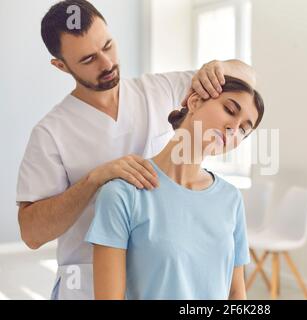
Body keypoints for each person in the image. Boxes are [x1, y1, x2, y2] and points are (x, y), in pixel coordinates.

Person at [16, 0, 256, 300]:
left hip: (160, 278)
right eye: (89, 59)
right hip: (88, 286)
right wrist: (94, 180)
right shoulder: (51, 133)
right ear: (61, 65)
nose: (106, 63)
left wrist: (217, 68)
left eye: (108, 45)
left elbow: (246, 83)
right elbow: (31, 234)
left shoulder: (160, 90)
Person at [85, 76, 264, 300]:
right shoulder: (123, 194)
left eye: (243, 131)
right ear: (195, 101)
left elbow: (236, 293)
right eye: (229, 109)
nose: (233, 128)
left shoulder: (231, 198)